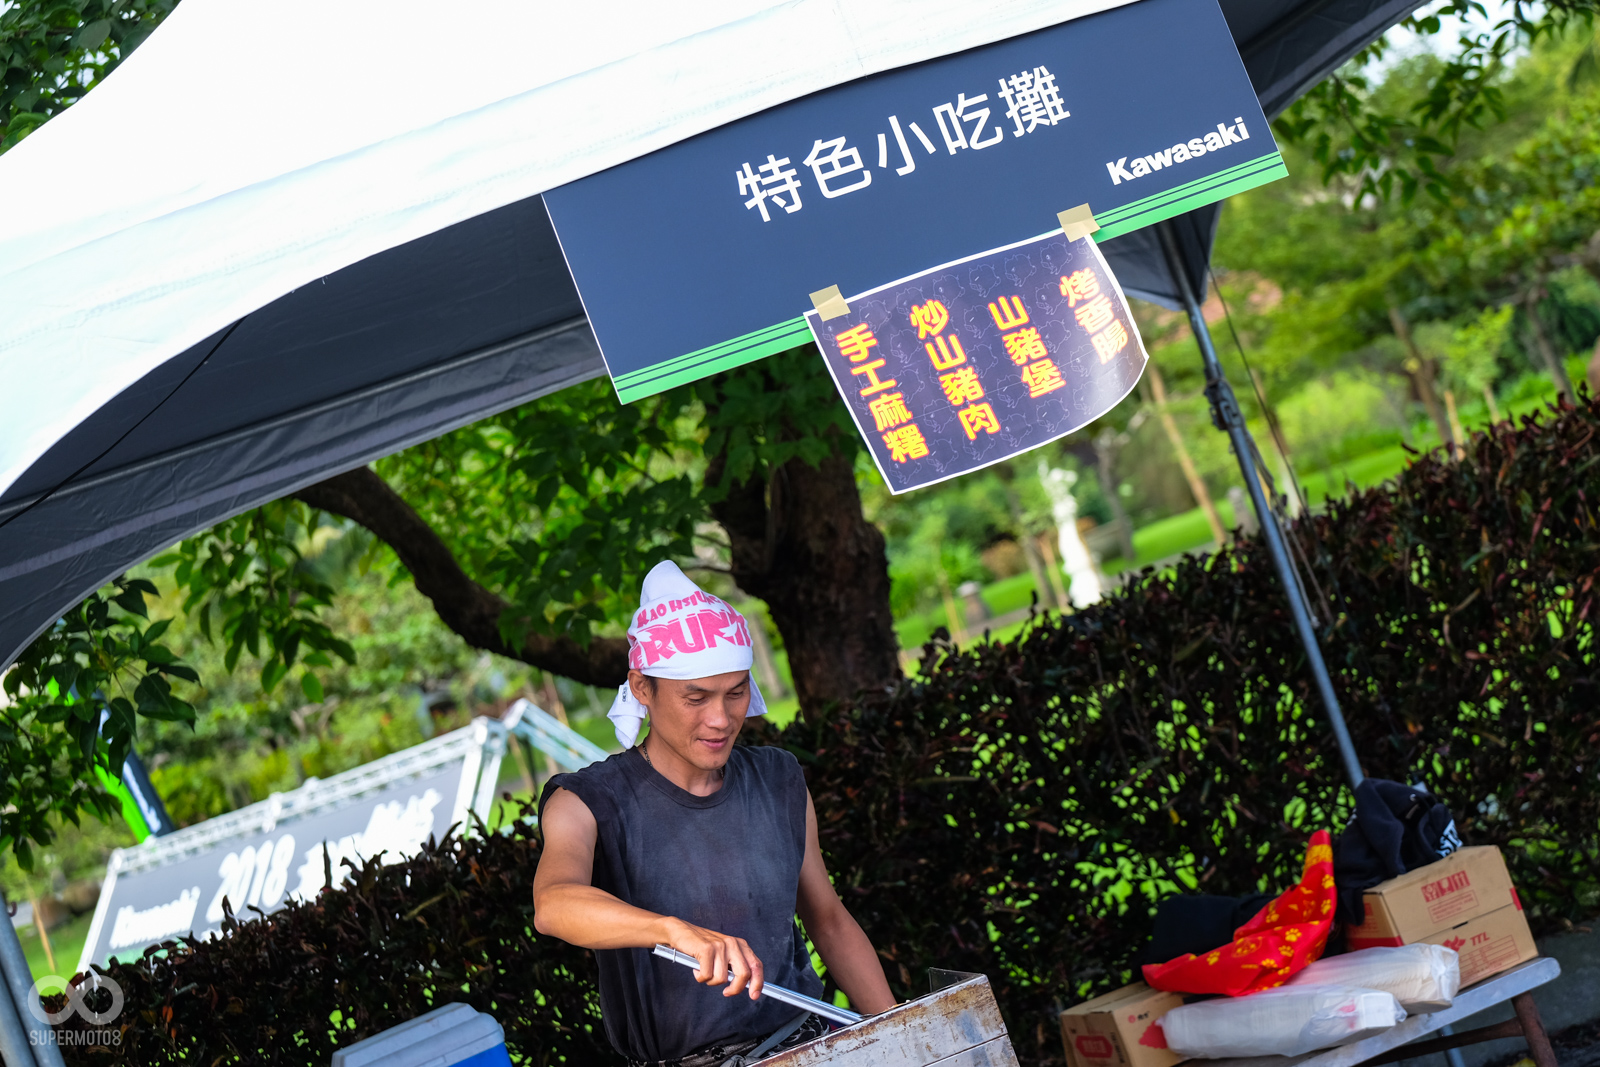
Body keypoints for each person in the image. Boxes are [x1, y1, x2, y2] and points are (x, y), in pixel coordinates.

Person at [533, 561, 895, 1067]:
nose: (721, 719)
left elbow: (829, 920)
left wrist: (907, 1035)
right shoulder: (587, 800)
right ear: (642, 688)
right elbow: (553, 905)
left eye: (736, 692)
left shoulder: (778, 778)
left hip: (811, 1045)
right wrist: (672, 930)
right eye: (696, 697)